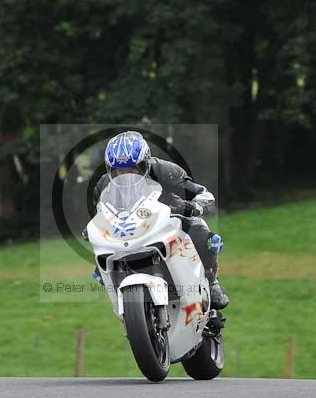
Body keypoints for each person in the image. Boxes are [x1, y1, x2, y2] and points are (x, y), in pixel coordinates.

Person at [92, 130, 229, 311]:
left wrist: (192, 207)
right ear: (111, 170)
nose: (126, 177)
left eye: (132, 169)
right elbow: (99, 215)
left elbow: (205, 195)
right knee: (99, 266)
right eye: (120, 171)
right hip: (127, 232)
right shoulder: (103, 186)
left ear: (145, 164)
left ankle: (211, 281)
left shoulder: (166, 171)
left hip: (167, 220)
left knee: (203, 234)